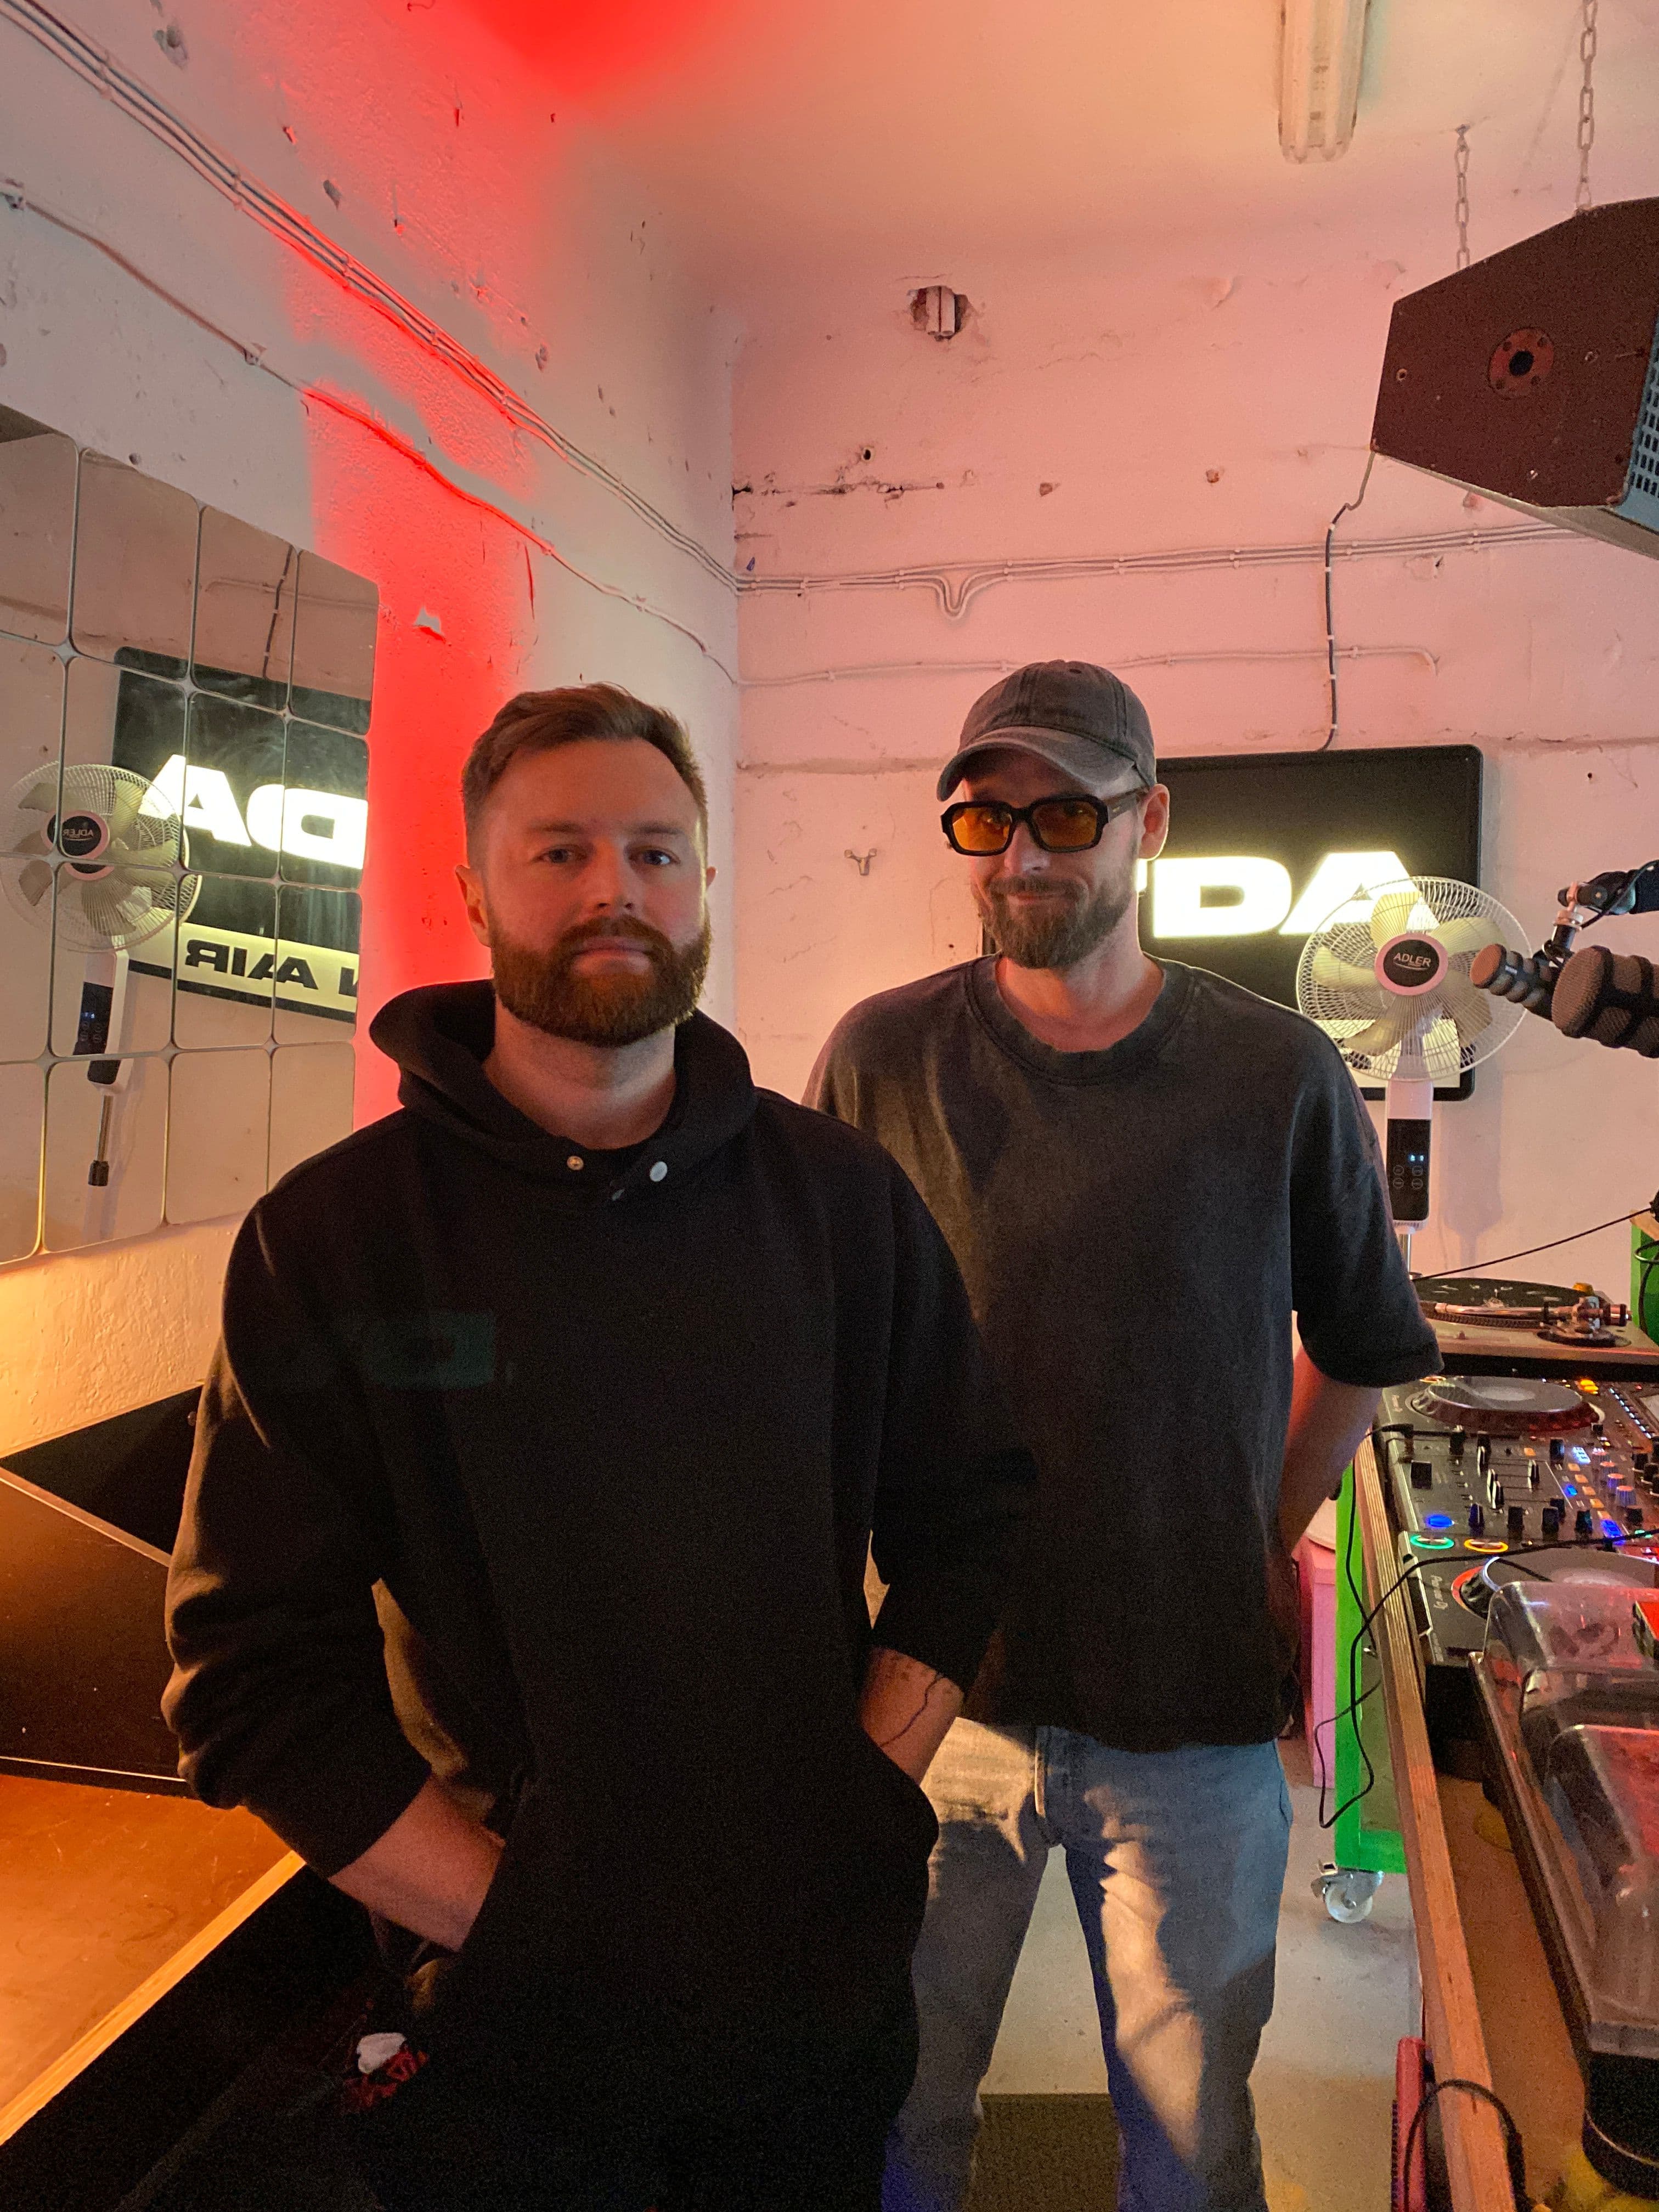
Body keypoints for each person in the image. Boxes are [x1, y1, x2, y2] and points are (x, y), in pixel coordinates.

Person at [163, 683, 1035, 2212]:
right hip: (510, 2038)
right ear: (474, 890)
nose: (612, 890)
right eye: (559, 852)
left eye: (653, 852)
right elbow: (251, 1682)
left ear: (703, 881)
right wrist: (527, 1930)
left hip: (808, 2008)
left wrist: (857, 1801)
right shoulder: (337, 1240)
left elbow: (967, 1522)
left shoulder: (840, 1203)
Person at [806, 661, 1440, 2212]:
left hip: (1191, 1708)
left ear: (1149, 822)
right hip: (935, 1698)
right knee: (890, 2106)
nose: (1022, 853)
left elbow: (1360, 1346)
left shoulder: (1276, 1073)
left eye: (1067, 815)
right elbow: (815, 1360)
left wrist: (1251, 1528)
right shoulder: (880, 1060)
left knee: (1190, 2137)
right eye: (987, 818)